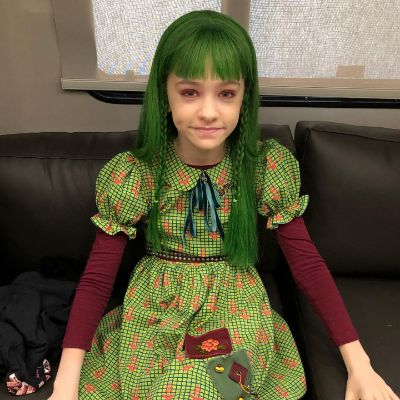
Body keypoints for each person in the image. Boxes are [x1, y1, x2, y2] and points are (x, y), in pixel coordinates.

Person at [48, 10, 399, 400]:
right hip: (157, 311)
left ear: (244, 97)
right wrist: (65, 385)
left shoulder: (264, 168)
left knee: (208, 388)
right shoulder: (137, 174)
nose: (209, 112)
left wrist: (360, 365)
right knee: (158, 390)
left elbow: (309, 266)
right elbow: (97, 280)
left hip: (235, 309)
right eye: (190, 92)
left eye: (226, 94)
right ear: (165, 94)